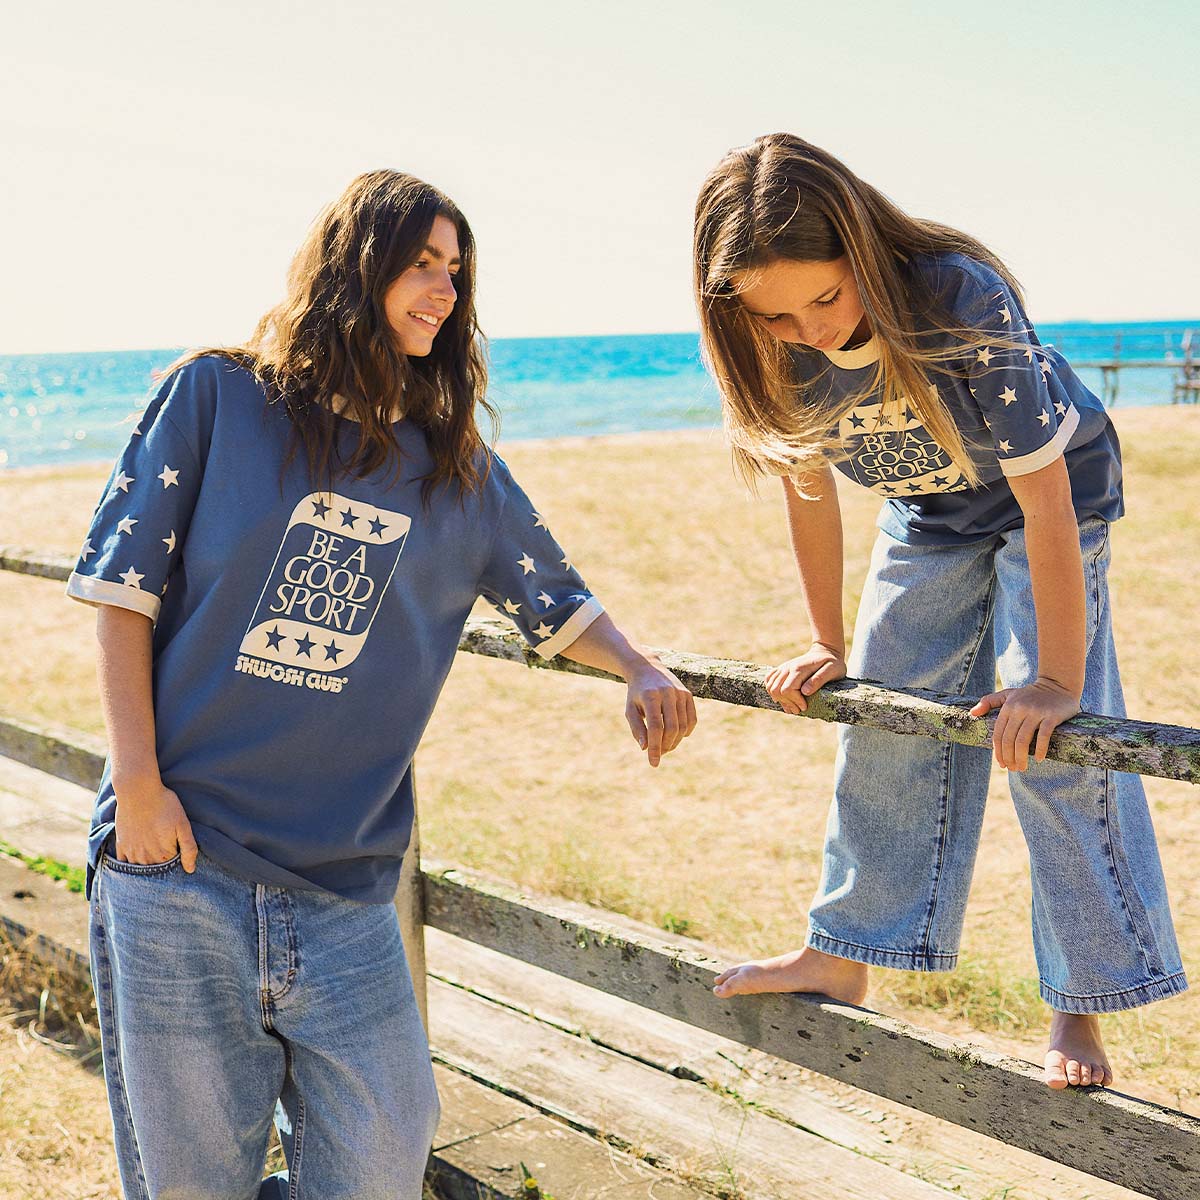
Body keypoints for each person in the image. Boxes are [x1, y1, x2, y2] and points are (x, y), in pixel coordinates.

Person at [67, 170, 697, 1200]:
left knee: (381, 1158)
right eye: (420, 263)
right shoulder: (218, 397)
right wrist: (135, 785)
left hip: (347, 887)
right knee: (191, 1185)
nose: (444, 290)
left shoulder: (454, 465)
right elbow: (120, 591)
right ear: (354, 267)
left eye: (456, 271)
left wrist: (636, 666)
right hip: (181, 862)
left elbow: (552, 595)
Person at [692, 133, 1185, 1090]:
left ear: (863, 248)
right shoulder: (765, 339)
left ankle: (1080, 1004)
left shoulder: (960, 298)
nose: (811, 328)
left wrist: (1052, 681)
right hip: (931, 511)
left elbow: (1042, 497)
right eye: (780, 315)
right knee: (881, 722)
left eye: (827, 299)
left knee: (1052, 744)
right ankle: (846, 948)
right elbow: (809, 487)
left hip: (1053, 492)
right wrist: (824, 641)